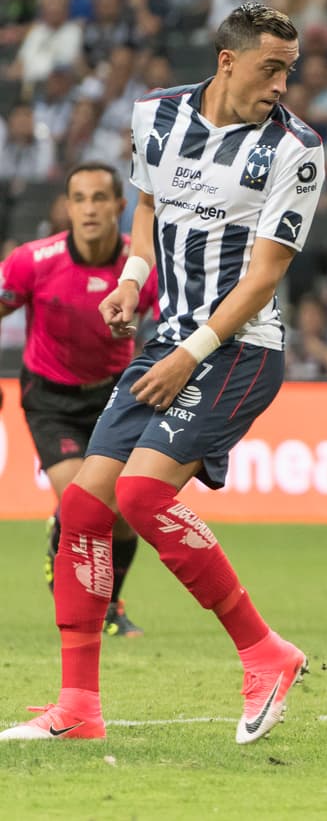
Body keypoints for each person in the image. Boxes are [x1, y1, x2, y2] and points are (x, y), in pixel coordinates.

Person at [1, 3, 325, 744]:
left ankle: (264, 652)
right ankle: (78, 707)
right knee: (83, 512)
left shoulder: (294, 150)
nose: (282, 83)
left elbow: (265, 277)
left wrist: (190, 353)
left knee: (141, 493)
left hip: (240, 348)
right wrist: (132, 276)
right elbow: (148, 204)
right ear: (226, 61)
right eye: (270, 67)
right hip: (166, 339)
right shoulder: (156, 117)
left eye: (290, 70)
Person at [0, 162, 159, 638]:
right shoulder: (33, 260)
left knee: (126, 513)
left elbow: (175, 326)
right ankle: (67, 550)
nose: (89, 208)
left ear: (119, 206)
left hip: (115, 397)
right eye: (79, 198)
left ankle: (111, 605)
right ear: (67, 207)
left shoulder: (143, 270)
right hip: (50, 398)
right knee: (82, 501)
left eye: (99, 198)